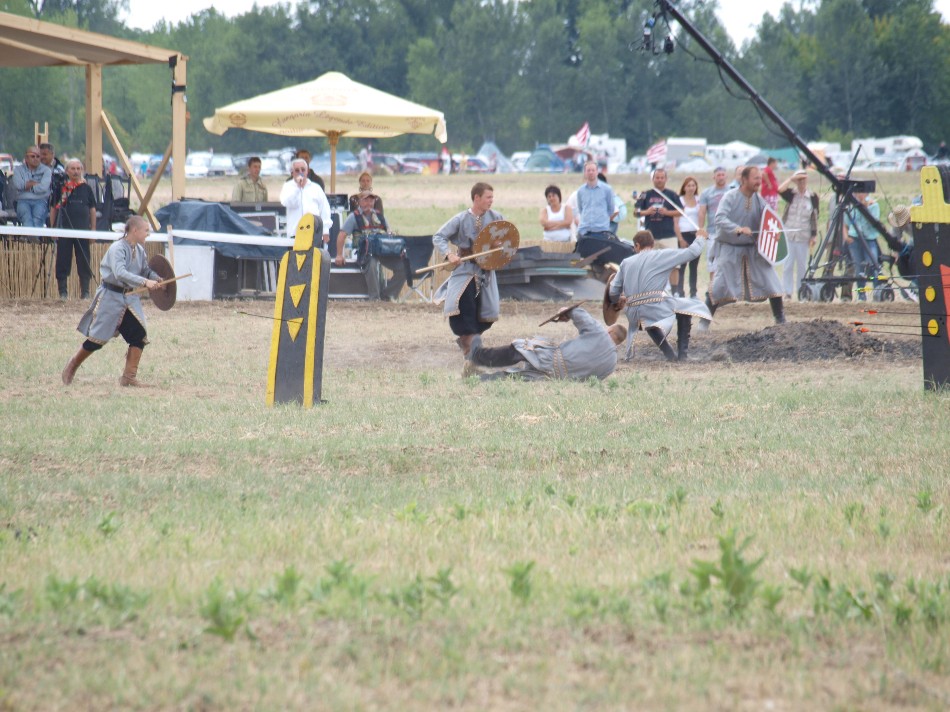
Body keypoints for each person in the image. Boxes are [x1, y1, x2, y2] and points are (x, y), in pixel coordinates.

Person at [61, 216, 164, 387]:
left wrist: (156, 278)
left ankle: (128, 378)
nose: (148, 234)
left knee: (138, 336)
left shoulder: (139, 250)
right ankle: (72, 365)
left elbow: (145, 270)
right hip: (111, 298)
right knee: (97, 339)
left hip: (130, 300)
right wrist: (145, 282)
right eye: (146, 230)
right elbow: (119, 273)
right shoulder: (118, 248)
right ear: (135, 230)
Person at [608, 229, 711, 362]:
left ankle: (670, 355)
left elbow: (613, 292)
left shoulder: (625, 263)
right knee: (685, 308)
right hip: (653, 308)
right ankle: (682, 356)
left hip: (633, 314)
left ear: (637, 245)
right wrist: (700, 238)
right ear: (652, 244)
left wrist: (619, 299)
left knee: (649, 319)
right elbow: (692, 252)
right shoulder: (661, 255)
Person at [432, 182, 504, 366]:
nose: (491, 200)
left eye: (492, 197)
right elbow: (438, 236)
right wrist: (449, 254)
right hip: (465, 270)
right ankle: (471, 348)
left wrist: (499, 245)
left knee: (487, 312)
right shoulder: (461, 219)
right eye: (488, 197)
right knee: (464, 305)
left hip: (486, 272)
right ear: (477, 198)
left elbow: (505, 239)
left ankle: (470, 344)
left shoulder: (496, 217)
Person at [705, 166, 786, 325]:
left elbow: (768, 221)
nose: (759, 181)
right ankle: (703, 322)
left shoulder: (759, 200)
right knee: (718, 287)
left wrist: (773, 232)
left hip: (753, 250)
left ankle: (780, 319)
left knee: (772, 282)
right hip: (729, 249)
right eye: (755, 178)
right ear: (744, 179)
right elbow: (719, 218)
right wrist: (738, 228)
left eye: (760, 178)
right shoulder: (730, 197)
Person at [465, 307, 626, 381]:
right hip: (556, 379)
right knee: (513, 377)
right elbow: (592, 381)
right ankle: (478, 379)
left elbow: (580, 315)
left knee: (518, 350)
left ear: (610, 331)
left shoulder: (600, 333)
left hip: (551, 358)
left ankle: (478, 356)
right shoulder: (611, 364)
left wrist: (566, 311)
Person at [50, 159, 97, 300]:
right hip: (64, 230)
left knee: (84, 260)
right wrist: (53, 229)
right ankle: (63, 293)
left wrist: (93, 230)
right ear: (67, 171)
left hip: (82, 230)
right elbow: (53, 208)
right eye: (73, 168)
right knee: (63, 260)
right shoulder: (61, 188)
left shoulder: (86, 188)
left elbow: (92, 210)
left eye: (78, 168)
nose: (76, 171)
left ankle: (85, 292)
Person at [778, 169, 819, 300]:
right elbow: (780, 189)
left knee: (802, 266)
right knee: (788, 265)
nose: (801, 182)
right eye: (799, 180)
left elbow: (814, 217)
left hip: (803, 236)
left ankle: (802, 291)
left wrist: (814, 235)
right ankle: (787, 292)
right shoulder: (791, 194)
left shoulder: (812, 196)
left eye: (803, 180)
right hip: (789, 234)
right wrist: (791, 179)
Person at [280, 158, 331, 244]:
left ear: (307, 171)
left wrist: (325, 230)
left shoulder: (316, 188)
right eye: (297, 170)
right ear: (292, 173)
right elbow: (287, 202)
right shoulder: (288, 187)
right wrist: (297, 188)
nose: (300, 172)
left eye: (303, 170)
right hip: (295, 234)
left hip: (314, 233)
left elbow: (324, 209)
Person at [844, 189, 881, 301]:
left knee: (872, 265)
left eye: (862, 192)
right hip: (854, 239)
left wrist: (865, 208)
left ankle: (877, 291)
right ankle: (861, 294)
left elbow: (874, 223)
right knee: (859, 268)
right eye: (858, 192)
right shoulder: (851, 206)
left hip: (869, 239)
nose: (859, 194)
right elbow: (845, 223)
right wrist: (846, 237)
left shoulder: (874, 205)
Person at [697, 166, 729, 290]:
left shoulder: (732, 191)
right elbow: (702, 212)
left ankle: (727, 290)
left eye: (722, 175)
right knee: (713, 264)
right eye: (718, 175)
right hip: (712, 233)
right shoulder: (707, 193)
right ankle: (713, 291)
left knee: (728, 263)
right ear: (714, 177)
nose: (720, 177)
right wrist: (700, 229)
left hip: (728, 233)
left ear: (726, 176)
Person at [634, 168, 682, 249]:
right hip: (650, 238)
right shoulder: (645, 194)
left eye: (662, 178)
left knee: (671, 257)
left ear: (666, 179)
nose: (659, 180)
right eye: (657, 178)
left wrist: (667, 212)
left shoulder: (672, 194)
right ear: (653, 179)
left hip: (669, 237)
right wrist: (647, 212)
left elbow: (681, 212)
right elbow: (635, 213)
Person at [675, 176, 707, 298]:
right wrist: (680, 239)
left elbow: (702, 215)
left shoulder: (699, 200)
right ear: (684, 187)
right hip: (683, 234)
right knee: (682, 266)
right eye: (688, 185)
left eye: (693, 185)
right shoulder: (679, 200)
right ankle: (680, 292)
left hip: (695, 234)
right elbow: (676, 222)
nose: (691, 188)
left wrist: (700, 231)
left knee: (694, 266)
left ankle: (693, 292)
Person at [11, 145, 52, 227]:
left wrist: (27, 186)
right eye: (33, 156)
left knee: (37, 221)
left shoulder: (46, 170)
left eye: (38, 156)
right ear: (26, 158)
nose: (36, 159)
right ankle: (30, 235)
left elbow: (44, 188)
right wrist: (35, 184)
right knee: (27, 220)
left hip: (41, 201)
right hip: (22, 201)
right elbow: (18, 185)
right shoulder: (18, 170)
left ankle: (31, 236)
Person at [576, 160, 615, 238]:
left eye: (593, 170)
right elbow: (581, 209)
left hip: (601, 232)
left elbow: (611, 209)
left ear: (597, 172)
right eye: (588, 170)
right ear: (585, 173)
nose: (591, 172)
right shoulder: (580, 191)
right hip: (584, 231)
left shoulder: (607, 189)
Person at [39, 142, 66, 214]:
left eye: (44, 154)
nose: (42, 157)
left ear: (52, 154)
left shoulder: (60, 169)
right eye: (40, 154)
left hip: (54, 201)